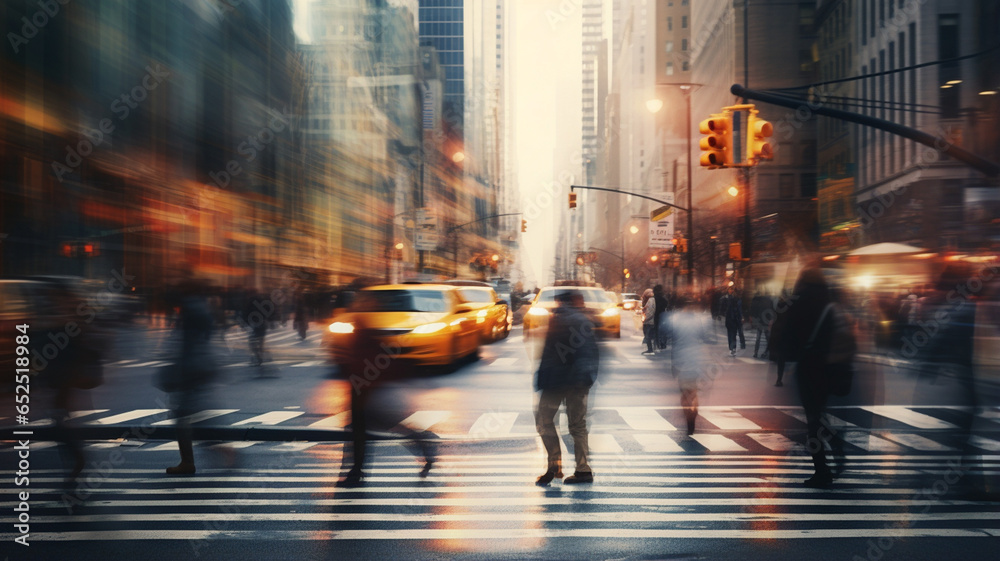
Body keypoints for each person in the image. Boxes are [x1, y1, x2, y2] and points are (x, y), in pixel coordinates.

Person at [339, 312, 436, 487]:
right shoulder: (366, 340)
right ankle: (422, 443)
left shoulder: (362, 342)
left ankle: (356, 472)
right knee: (365, 432)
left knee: (361, 434)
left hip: (364, 397)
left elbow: (363, 366)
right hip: (365, 395)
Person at [782, 268, 844, 488]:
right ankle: (834, 443)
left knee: (812, 419)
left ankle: (822, 469)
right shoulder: (830, 301)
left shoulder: (799, 302)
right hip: (830, 367)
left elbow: (787, 334)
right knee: (817, 415)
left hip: (808, 366)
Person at [534, 290, 600, 486]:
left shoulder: (559, 319)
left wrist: (542, 379)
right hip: (578, 382)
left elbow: (549, 355)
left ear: (561, 302)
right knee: (578, 426)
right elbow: (590, 353)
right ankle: (582, 469)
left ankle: (554, 465)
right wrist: (587, 379)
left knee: (544, 421)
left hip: (556, 381)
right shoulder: (584, 320)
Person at [163, 280, 217, 475]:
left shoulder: (191, 308)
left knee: (184, 417)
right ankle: (189, 460)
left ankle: (214, 453)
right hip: (196, 369)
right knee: (186, 416)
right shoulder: (199, 307)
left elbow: (187, 344)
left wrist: (178, 369)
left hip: (191, 371)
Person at [665, 296, 714, 437]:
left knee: (684, 393)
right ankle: (694, 411)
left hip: (681, 360)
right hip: (695, 360)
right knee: (693, 391)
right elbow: (704, 338)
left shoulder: (675, 320)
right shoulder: (699, 321)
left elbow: (672, 341)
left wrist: (673, 365)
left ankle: (689, 415)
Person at [722, 287, 745, 355]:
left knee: (730, 334)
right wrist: (741, 317)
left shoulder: (726, 299)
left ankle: (732, 348)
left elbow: (724, 309)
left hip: (730, 319)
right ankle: (733, 348)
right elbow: (739, 310)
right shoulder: (737, 300)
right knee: (733, 334)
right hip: (734, 319)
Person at [749, 292, 772, 359]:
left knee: (758, 338)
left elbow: (754, 310)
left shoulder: (758, 301)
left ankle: (756, 352)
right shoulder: (769, 301)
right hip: (765, 321)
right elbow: (770, 311)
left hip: (761, 321)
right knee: (767, 338)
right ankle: (767, 352)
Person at [653, 284, 669, 349]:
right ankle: (663, 343)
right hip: (662, 314)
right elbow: (666, 304)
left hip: (655, 315)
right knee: (663, 330)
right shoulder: (663, 298)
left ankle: (657, 343)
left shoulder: (653, 298)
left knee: (656, 330)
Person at [641, 288, 656, 354]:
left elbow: (650, 311)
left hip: (649, 321)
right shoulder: (652, 300)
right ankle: (651, 349)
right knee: (649, 335)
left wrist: (645, 319)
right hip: (650, 320)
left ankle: (650, 350)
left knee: (647, 335)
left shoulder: (651, 300)